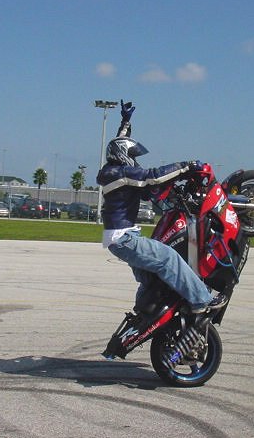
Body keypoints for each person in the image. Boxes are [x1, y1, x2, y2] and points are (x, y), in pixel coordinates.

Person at [96, 100, 227, 314]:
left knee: (151, 278)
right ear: (122, 155)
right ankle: (202, 300)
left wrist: (125, 122)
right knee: (168, 257)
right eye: (132, 156)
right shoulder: (120, 173)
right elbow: (153, 176)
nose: (134, 160)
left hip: (123, 237)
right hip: (123, 239)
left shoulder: (114, 171)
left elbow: (120, 144)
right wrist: (185, 166)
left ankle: (144, 315)